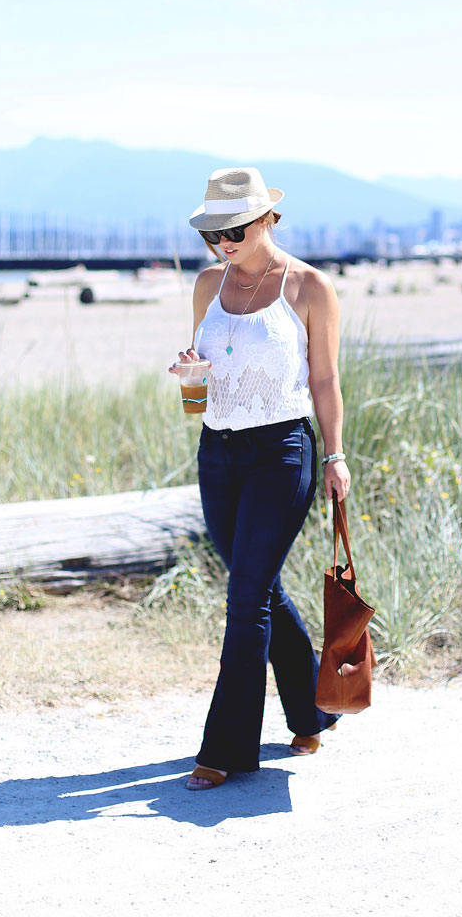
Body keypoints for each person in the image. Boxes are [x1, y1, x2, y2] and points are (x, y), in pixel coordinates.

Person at [170, 166, 351, 791]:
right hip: (217, 453)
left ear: (268, 218)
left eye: (236, 228)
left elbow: (324, 380)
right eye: (212, 232)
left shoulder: (309, 286)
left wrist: (335, 455)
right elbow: (201, 387)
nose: (223, 242)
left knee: (244, 602)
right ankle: (311, 714)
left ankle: (224, 751)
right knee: (260, 589)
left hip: (283, 452)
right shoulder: (205, 286)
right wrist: (190, 378)